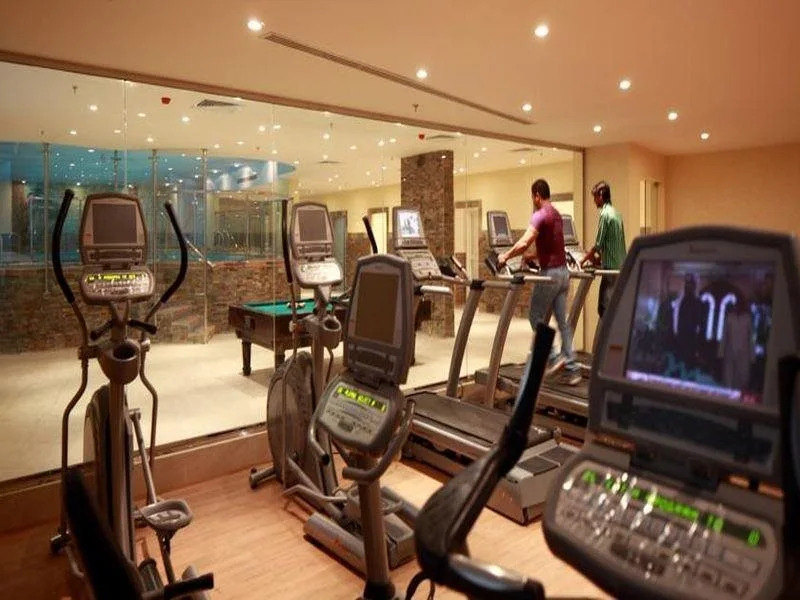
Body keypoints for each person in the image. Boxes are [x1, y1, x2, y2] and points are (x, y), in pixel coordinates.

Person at [497, 178, 580, 385]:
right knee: (562, 322)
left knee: (535, 315)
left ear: (536, 195)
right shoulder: (557, 214)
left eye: (532, 197)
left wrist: (505, 256)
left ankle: (553, 357)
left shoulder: (540, 215)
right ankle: (572, 368)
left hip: (550, 275)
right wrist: (532, 257)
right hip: (564, 274)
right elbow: (553, 246)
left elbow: (525, 241)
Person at [580, 181, 626, 318]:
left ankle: (608, 332)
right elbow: (614, 242)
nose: (594, 201)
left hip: (610, 270)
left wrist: (582, 260)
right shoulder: (617, 214)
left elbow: (598, 245)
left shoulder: (605, 214)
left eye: (595, 197)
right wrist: (597, 260)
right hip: (620, 268)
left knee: (603, 309)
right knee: (614, 307)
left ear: (601, 195)